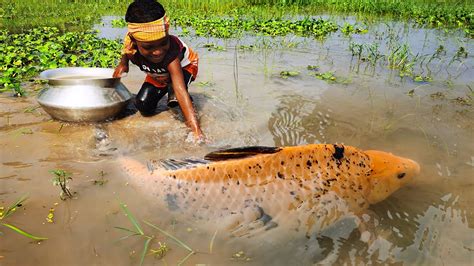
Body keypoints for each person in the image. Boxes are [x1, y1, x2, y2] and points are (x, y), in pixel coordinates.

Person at [113, 0, 205, 143]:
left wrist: (196, 130)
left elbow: (180, 88)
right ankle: (168, 89)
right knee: (144, 107)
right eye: (149, 47)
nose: (158, 52)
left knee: (176, 94)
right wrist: (123, 65)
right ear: (135, 42)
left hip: (185, 67)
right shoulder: (130, 46)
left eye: (163, 43)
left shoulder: (171, 55)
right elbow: (125, 51)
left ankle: (182, 102)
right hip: (158, 74)